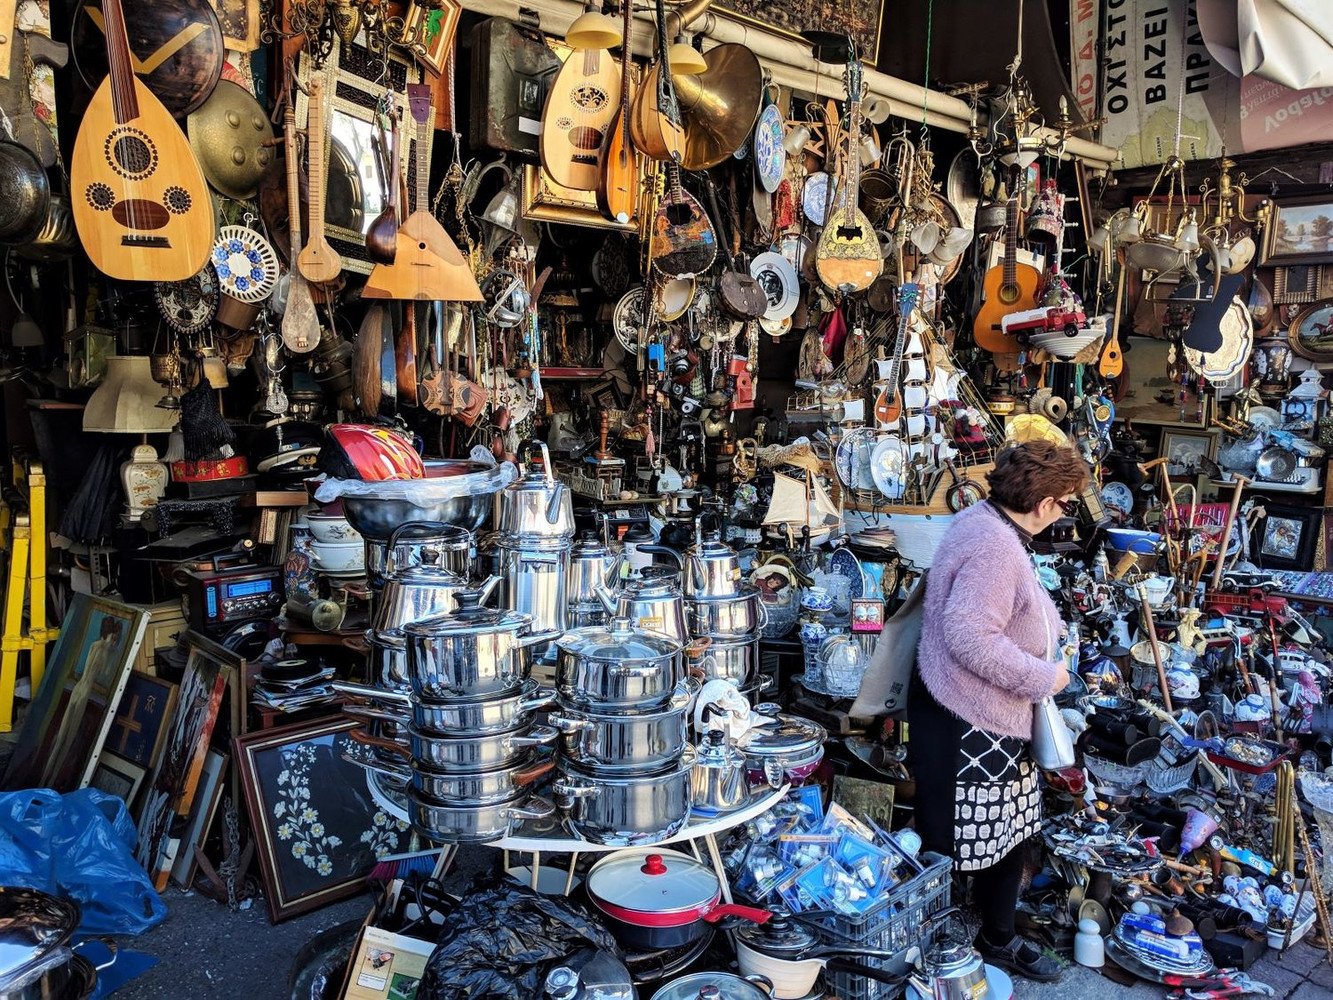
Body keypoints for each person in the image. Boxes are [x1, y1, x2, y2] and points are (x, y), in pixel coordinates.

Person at [908, 440, 1089, 982]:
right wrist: (1044, 676)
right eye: (1066, 503)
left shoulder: (985, 523)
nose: (1064, 513)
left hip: (976, 710)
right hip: (970, 715)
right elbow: (970, 634)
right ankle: (946, 949)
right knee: (958, 834)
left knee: (1004, 829)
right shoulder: (996, 546)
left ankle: (986, 934)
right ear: (1044, 503)